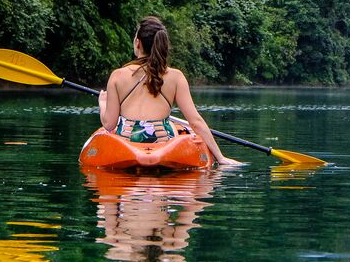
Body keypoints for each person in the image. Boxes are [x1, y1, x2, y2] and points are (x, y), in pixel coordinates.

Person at [98, 16, 244, 167]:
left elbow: (109, 124)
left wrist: (103, 104)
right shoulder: (176, 77)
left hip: (127, 141)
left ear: (138, 43)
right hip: (162, 140)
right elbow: (195, 122)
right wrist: (220, 157)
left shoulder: (117, 75)